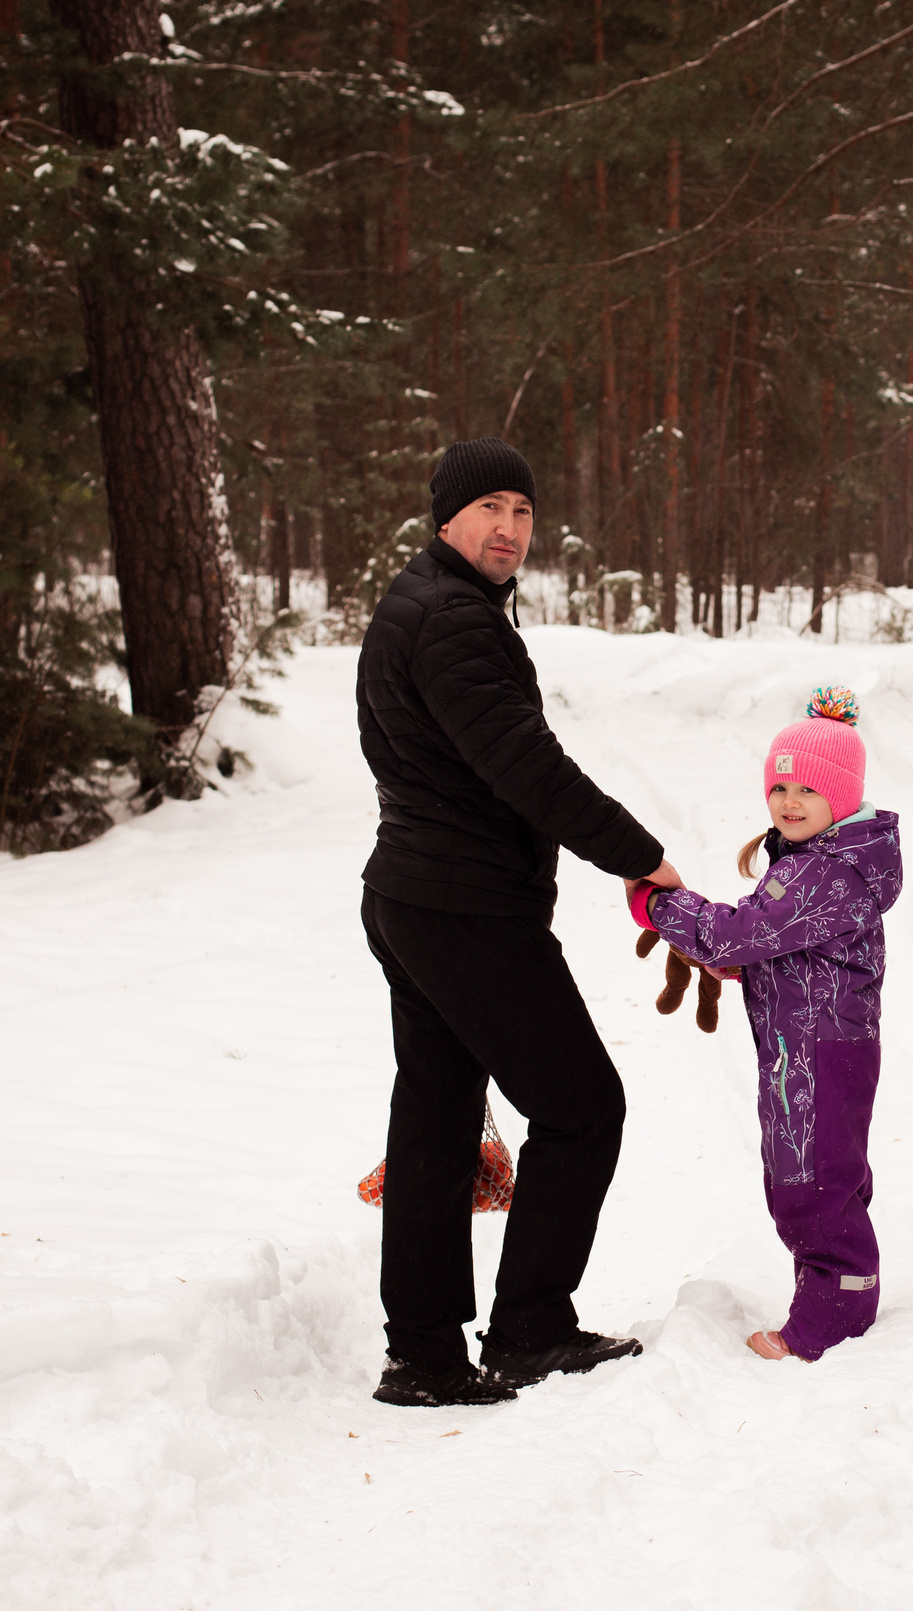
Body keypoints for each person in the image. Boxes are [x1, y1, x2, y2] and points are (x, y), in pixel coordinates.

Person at [356, 437, 683, 1407]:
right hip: (463, 907)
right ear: (445, 517)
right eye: (490, 507)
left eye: (524, 512)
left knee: (439, 1118)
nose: (509, 528)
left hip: (414, 896)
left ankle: (422, 1352)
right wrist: (639, 854)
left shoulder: (422, 605)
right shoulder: (451, 620)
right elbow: (522, 764)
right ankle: (529, 1329)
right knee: (582, 1106)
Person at [634, 688, 901, 1363]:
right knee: (812, 1174)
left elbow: (739, 932)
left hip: (819, 1050)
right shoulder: (815, 858)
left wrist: (661, 906)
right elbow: (778, 944)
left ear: (842, 795)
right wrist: (753, 969)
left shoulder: (825, 871)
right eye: (779, 784)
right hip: (809, 1044)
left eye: (808, 787)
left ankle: (831, 1317)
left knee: (811, 1181)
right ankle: (836, 1291)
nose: (788, 799)